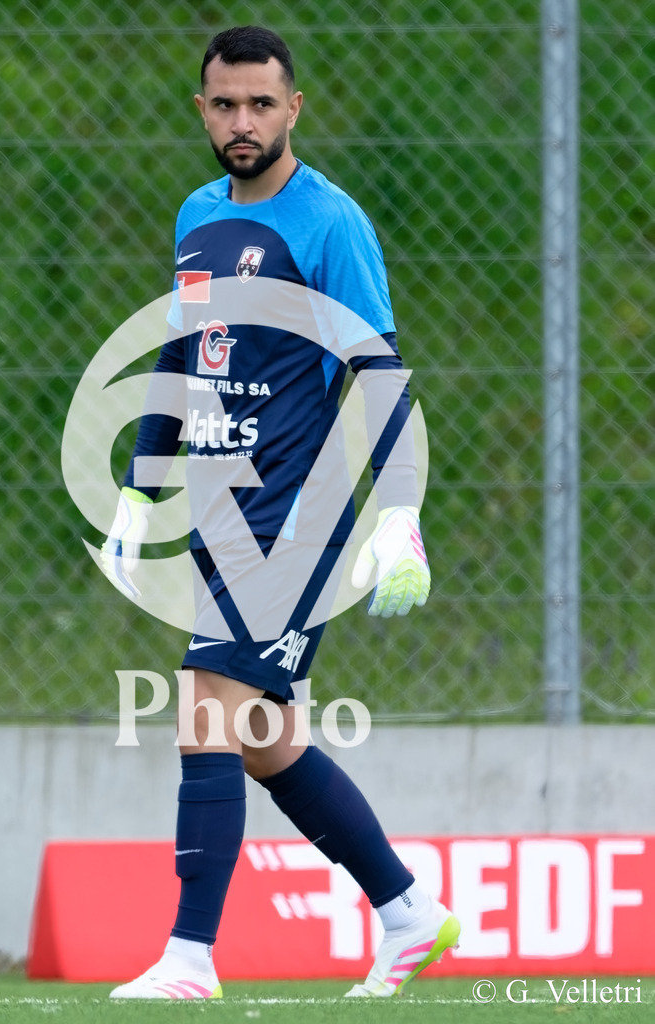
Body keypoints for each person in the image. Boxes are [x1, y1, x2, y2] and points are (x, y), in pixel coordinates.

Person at [101, 26, 460, 999]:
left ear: (293, 107)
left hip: (299, 518)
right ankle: (407, 913)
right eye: (225, 104)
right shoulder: (198, 216)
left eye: (262, 103)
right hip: (221, 516)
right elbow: (183, 358)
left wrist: (398, 514)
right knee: (264, 739)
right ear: (201, 109)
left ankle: (189, 956)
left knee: (204, 705)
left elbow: (377, 370)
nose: (243, 121)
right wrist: (139, 488)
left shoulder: (330, 223)